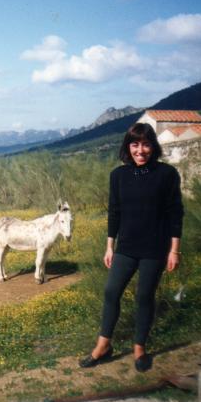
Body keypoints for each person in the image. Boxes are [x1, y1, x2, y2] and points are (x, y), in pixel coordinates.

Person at [79, 122, 184, 372]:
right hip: (125, 247)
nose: (140, 150)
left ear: (153, 146)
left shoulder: (167, 174)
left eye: (146, 144)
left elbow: (175, 214)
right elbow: (114, 213)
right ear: (128, 147)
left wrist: (174, 250)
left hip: (155, 248)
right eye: (135, 144)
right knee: (111, 292)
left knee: (144, 297)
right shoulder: (118, 176)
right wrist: (109, 246)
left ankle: (139, 349)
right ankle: (103, 345)